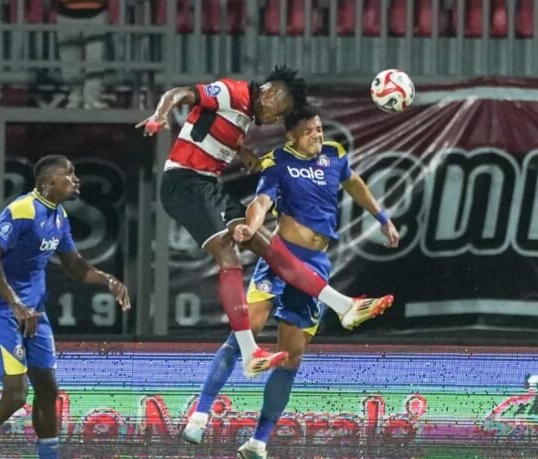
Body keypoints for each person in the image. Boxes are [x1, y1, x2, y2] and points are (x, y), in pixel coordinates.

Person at [181, 106, 400, 459]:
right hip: (279, 259)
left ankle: (257, 445)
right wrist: (251, 227)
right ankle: (199, 414)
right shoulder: (278, 161)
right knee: (245, 332)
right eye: (309, 131)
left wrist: (382, 218)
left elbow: (354, 183)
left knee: (291, 356)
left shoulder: (334, 155)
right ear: (292, 137)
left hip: (316, 264)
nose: (317, 135)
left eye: (319, 128)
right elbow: (261, 202)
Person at [137, 66, 393, 378]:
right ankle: (250, 353)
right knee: (228, 256)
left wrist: (241, 151)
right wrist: (160, 115)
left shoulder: (246, 113)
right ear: (270, 94)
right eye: (278, 112)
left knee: (270, 247)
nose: (274, 119)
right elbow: (178, 93)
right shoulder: (233, 93)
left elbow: (210, 129)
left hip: (207, 185)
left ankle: (343, 306)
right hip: (184, 184)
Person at [0, 155, 130, 459]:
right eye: (69, 174)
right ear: (47, 182)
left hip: (34, 313)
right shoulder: (22, 210)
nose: (76, 179)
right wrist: (16, 304)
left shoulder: (58, 216)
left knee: (48, 390)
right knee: (16, 394)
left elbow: (74, 265)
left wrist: (107, 279)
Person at [56, 0, 108, 109]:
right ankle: (76, 97)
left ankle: (91, 98)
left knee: (95, 59)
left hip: (96, 12)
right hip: (67, 13)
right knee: (70, 62)